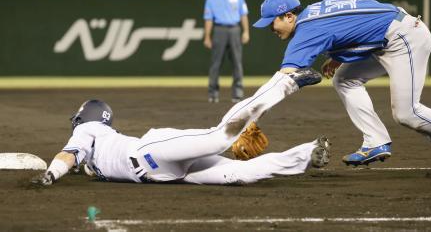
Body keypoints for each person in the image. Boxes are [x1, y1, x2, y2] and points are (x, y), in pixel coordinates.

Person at [252, 0, 431, 175]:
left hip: (404, 37)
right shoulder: (316, 10)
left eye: (272, 22)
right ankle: (376, 141)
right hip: (391, 33)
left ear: (289, 16)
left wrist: (252, 116)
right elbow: (356, 18)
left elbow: (284, 78)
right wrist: (339, 57)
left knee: (407, 113)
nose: (270, 28)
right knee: (345, 79)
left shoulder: (307, 29)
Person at [31, 72, 330, 186]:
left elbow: (68, 155)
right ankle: (307, 154)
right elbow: (79, 163)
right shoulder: (97, 149)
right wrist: (69, 168)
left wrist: (52, 173)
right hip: (165, 174)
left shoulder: (89, 130)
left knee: (218, 138)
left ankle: (283, 83)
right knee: (237, 173)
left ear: (87, 117)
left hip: (151, 151)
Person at [203, 0, 250, 103]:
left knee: (237, 62)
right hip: (219, 30)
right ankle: (213, 93)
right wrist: (207, 36)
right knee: (216, 63)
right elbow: (208, 19)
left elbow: (243, 15)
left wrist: (246, 31)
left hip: (235, 29)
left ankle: (238, 93)